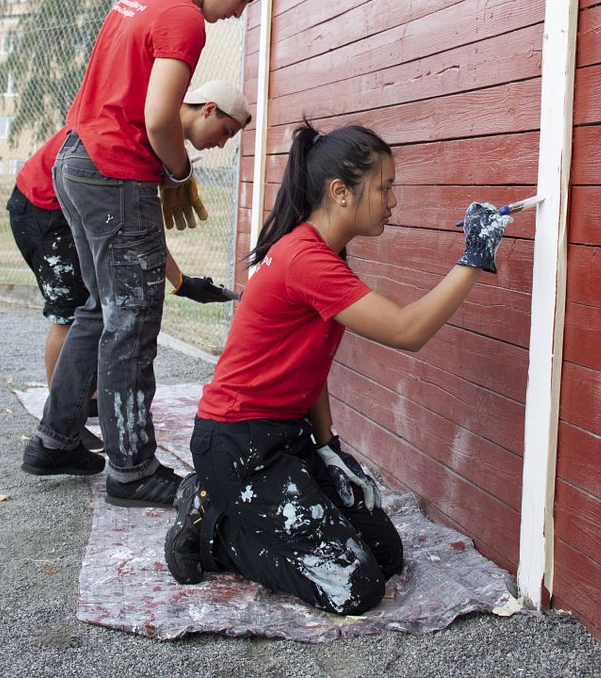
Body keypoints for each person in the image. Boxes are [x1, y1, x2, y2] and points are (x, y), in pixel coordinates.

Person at [164, 120, 511, 616]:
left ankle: (234, 504)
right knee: (356, 587)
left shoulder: (323, 253)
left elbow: (311, 363)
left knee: (387, 557)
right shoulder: (307, 260)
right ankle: (211, 530)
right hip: (238, 443)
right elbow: (408, 330)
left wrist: (328, 449)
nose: (393, 201)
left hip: (285, 436)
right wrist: (474, 257)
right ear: (340, 192)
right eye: (385, 187)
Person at [21, 0, 275, 509]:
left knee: (98, 308)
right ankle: (133, 471)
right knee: (132, 322)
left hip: (76, 159)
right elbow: (160, 117)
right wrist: (179, 175)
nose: (239, 12)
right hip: (114, 170)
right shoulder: (185, 19)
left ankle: (56, 437)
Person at [7, 81, 252, 390]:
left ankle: (85, 400)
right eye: (227, 132)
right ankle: (61, 412)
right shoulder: (154, 126)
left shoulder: (163, 132)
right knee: (72, 313)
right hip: (43, 205)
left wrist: (179, 281)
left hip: (72, 207)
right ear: (209, 110)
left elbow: (142, 225)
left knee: (95, 305)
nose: (222, 145)